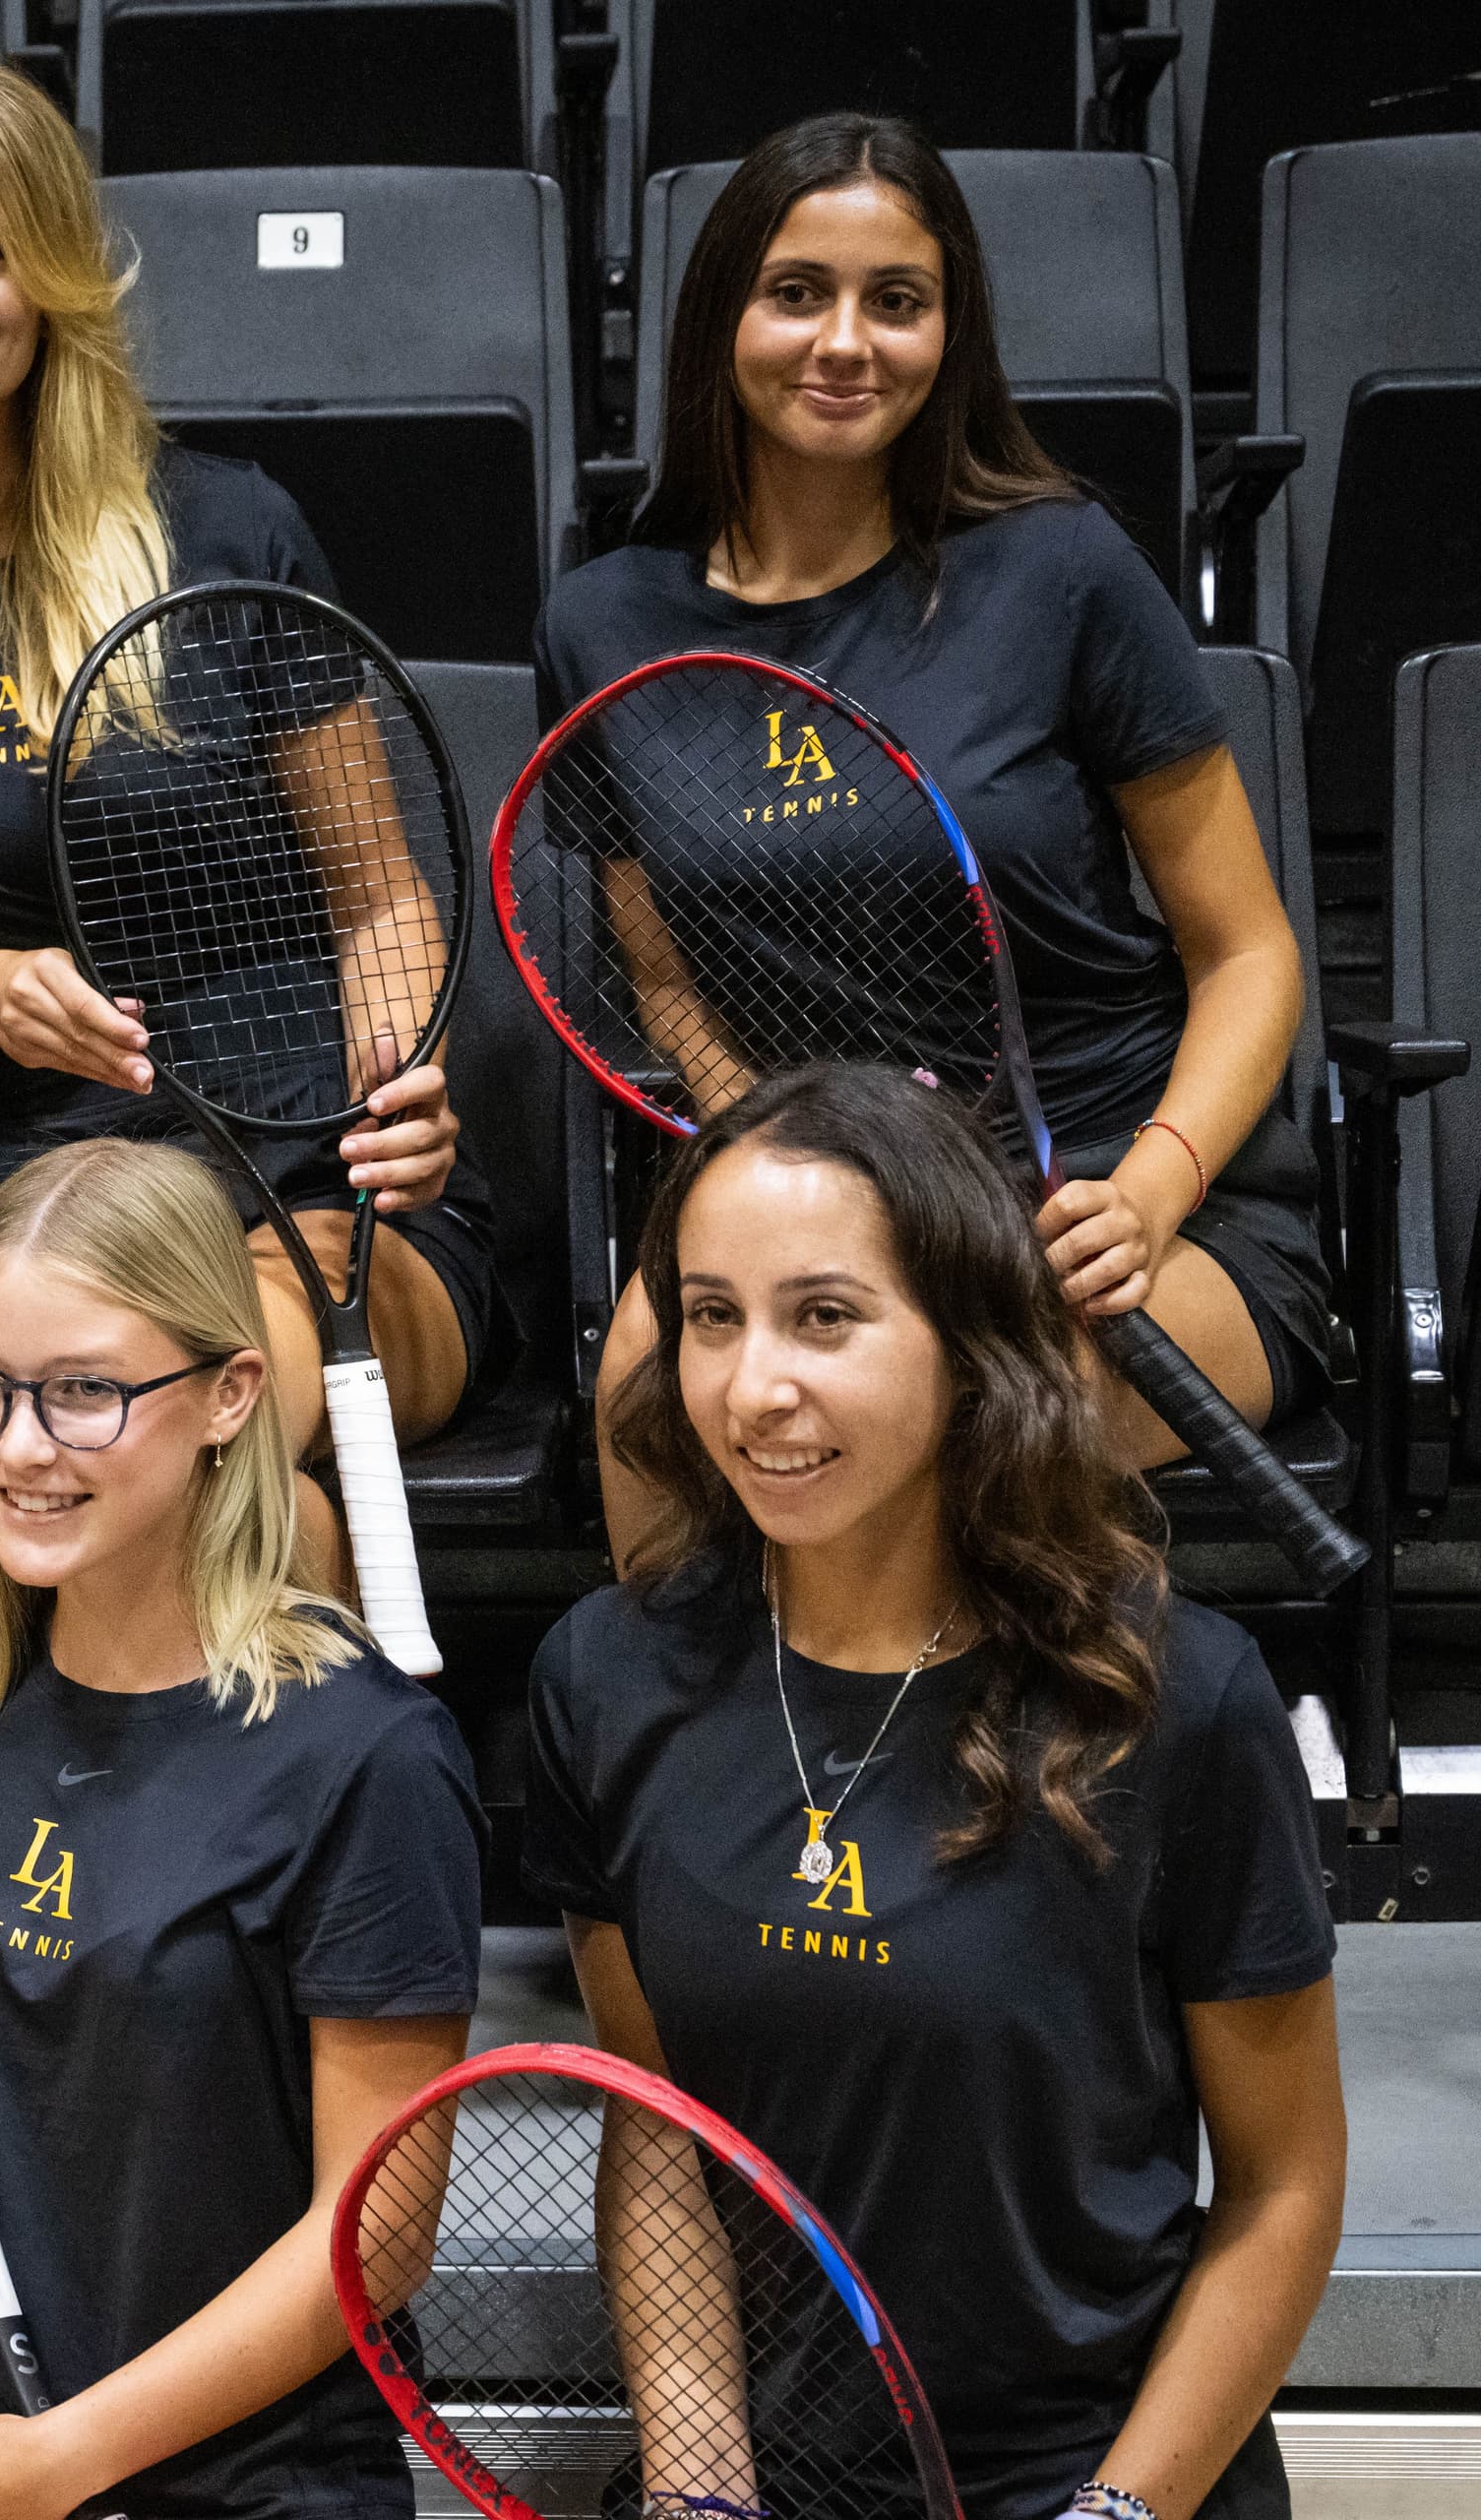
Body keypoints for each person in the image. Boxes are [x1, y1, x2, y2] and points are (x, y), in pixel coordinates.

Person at [0, 53, 494, 1599]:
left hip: (291, 1171)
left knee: (159, 1428)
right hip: (10, 1169)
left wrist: (397, 1081)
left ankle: (294, 1803)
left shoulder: (226, 528)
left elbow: (380, 897)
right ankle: (15, 1835)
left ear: (54, 281)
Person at [524, 1062, 1345, 2520]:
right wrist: (706, 2489)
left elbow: (1282, 2194)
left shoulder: (1180, 1700)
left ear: (969, 1341)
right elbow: (659, 2120)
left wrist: (1116, 2514)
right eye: (711, 1315)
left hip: (1095, 2489)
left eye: (824, 1317)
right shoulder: (606, 1679)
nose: (752, 1385)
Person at [547, 112, 1326, 1563]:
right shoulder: (606, 623)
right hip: (822, 1210)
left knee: (930, 1418)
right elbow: (660, 977)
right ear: (723, 316)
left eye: (895, 302)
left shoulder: (1062, 568)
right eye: (797, 293)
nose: (845, 341)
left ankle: (973, 1789)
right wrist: (768, 1165)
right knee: (649, 1396)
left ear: (948, 336)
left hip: (1111, 1199)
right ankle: (712, 1781)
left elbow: (1250, 949)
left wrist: (1152, 1190)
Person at [0, 1139, 479, 2520]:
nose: (19, 1447)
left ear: (230, 1395)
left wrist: (65, 2462)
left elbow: (372, 2240)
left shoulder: (373, 1757)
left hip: (245, 2489)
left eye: (85, 1392)